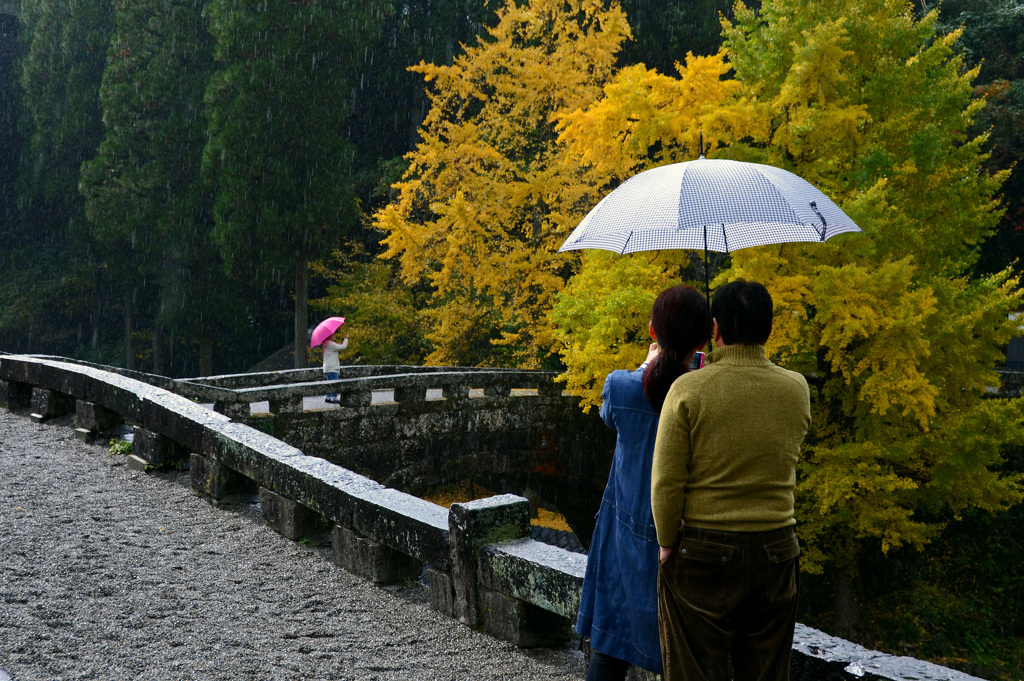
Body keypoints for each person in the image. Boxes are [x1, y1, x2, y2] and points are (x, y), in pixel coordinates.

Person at [651, 279, 812, 681]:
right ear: (768, 329)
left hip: (704, 553)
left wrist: (667, 543)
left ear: (716, 329)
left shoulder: (688, 389)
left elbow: (666, 483)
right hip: (777, 549)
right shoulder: (797, 389)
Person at [576, 285, 709, 681]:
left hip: (624, 534)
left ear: (652, 332)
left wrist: (642, 369)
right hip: (680, 541)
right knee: (682, 656)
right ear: (703, 338)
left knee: (611, 647)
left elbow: (608, 417)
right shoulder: (702, 395)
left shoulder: (621, 387)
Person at [321, 329, 349, 404]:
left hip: (327, 367)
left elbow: (335, 349)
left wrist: (338, 345)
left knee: (329, 382)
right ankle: (333, 397)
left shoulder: (326, 344)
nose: (334, 336)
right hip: (332, 367)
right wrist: (346, 339)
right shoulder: (331, 344)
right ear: (329, 337)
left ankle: (328, 396)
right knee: (334, 382)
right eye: (332, 335)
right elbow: (343, 347)